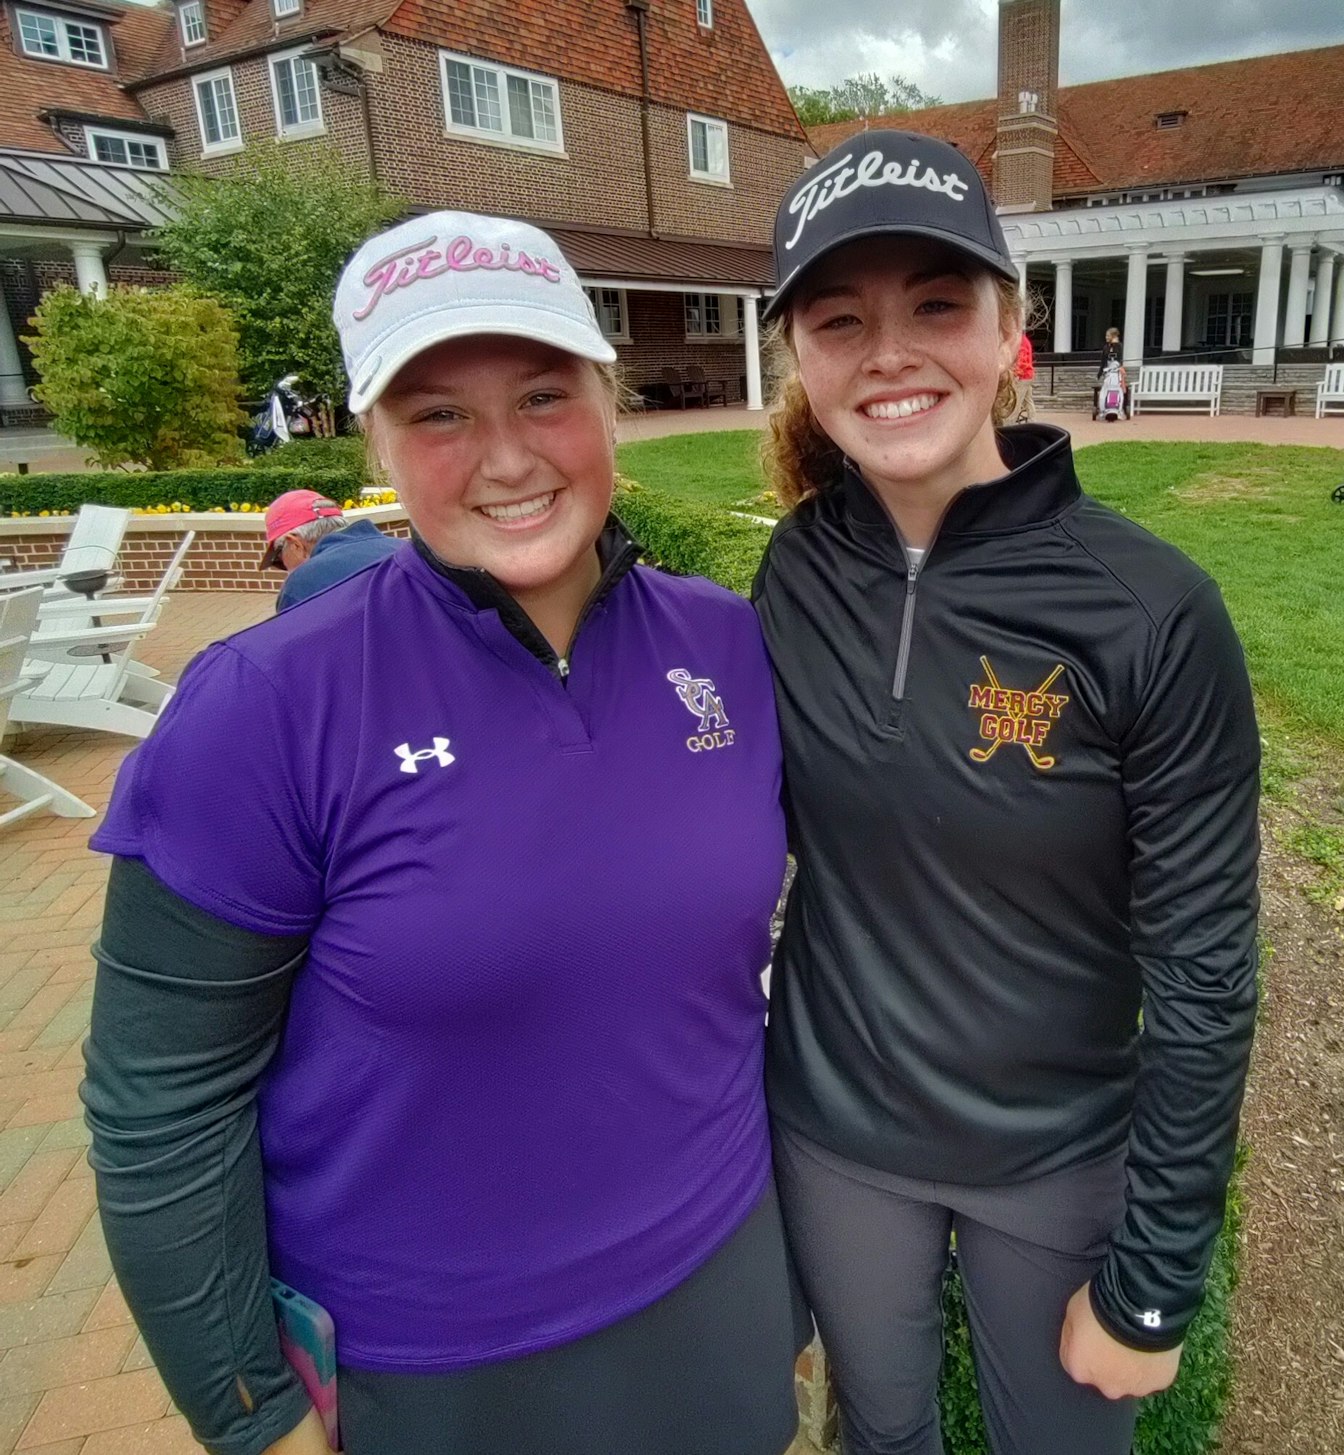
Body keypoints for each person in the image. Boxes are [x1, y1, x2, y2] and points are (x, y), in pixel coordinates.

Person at [81, 211, 803, 1455]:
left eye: (540, 395)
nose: (507, 457)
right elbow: (160, 1097)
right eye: (439, 415)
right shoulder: (270, 705)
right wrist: (250, 1411)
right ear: (374, 444)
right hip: (436, 1368)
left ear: (605, 399)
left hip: (719, 1285)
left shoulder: (723, 644)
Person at [753, 131, 1260, 1455]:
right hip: (837, 1136)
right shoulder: (792, 577)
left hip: (1058, 1151)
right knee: (882, 1429)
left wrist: (1154, 1275)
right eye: (840, 318)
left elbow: (1206, 965)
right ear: (796, 355)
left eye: (936, 303)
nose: (890, 353)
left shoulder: (1151, 610)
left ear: (1009, 327)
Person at [261, 489, 401, 611]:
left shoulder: (301, 585)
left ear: (295, 544)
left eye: (278, 557)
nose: (284, 566)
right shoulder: (405, 549)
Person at [1094, 327, 1129, 421]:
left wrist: (1114, 345)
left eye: (1108, 335)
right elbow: (1103, 361)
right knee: (1105, 390)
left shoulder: (1119, 346)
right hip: (1108, 373)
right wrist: (1100, 372)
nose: (1106, 337)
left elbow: (1119, 359)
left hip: (1116, 373)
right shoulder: (1106, 347)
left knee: (1118, 390)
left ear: (1113, 336)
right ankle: (1103, 410)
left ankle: (1119, 409)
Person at [1012, 330, 1035, 422]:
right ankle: (1032, 420)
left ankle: (1010, 423)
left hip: (1023, 376)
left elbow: (1022, 359)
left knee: (1017, 401)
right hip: (1029, 374)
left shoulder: (1020, 341)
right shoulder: (1024, 340)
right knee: (1028, 400)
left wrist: (1016, 373)